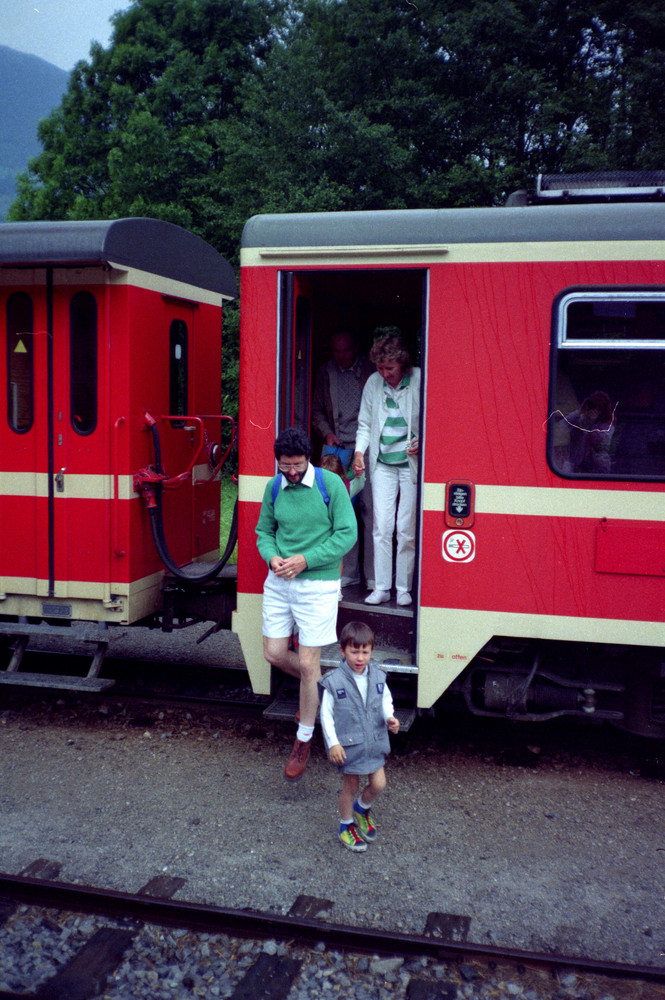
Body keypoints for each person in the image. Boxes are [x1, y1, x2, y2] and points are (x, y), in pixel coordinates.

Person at [255, 427, 357, 781]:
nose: (292, 472)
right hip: (279, 582)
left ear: (308, 459)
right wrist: (271, 557)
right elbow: (264, 532)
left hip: (318, 584)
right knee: (273, 653)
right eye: (285, 466)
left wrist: (306, 560)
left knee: (309, 663)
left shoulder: (331, 485)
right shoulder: (274, 487)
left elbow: (347, 533)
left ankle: (303, 739)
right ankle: (318, 688)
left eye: (297, 465)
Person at [319, 620, 400, 853]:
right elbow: (326, 716)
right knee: (350, 786)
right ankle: (346, 825)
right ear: (342, 651)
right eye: (354, 652)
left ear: (371, 651)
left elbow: (385, 701)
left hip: (374, 742)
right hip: (349, 746)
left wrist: (390, 717)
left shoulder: (378, 677)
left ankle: (362, 808)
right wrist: (333, 744)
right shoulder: (334, 681)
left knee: (379, 783)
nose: (360, 658)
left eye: (365, 652)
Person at [353, 330, 420, 607]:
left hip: (410, 464)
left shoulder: (418, 379)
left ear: (402, 363)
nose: (384, 374)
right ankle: (381, 587)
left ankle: (403, 588)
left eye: (389, 368)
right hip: (382, 464)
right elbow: (365, 424)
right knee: (381, 527)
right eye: (380, 368)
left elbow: (433, 419)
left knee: (405, 528)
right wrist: (359, 452)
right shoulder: (374, 382)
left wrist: (423, 440)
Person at [312, 330, 375, 589]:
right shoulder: (326, 372)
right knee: (340, 510)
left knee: (370, 510)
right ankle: (347, 572)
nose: (341, 356)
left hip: (366, 450)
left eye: (346, 350)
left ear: (355, 347)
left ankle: (373, 576)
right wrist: (327, 432)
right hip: (337, 451)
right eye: (336, 351)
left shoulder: (370, 370)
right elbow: (316, 410)